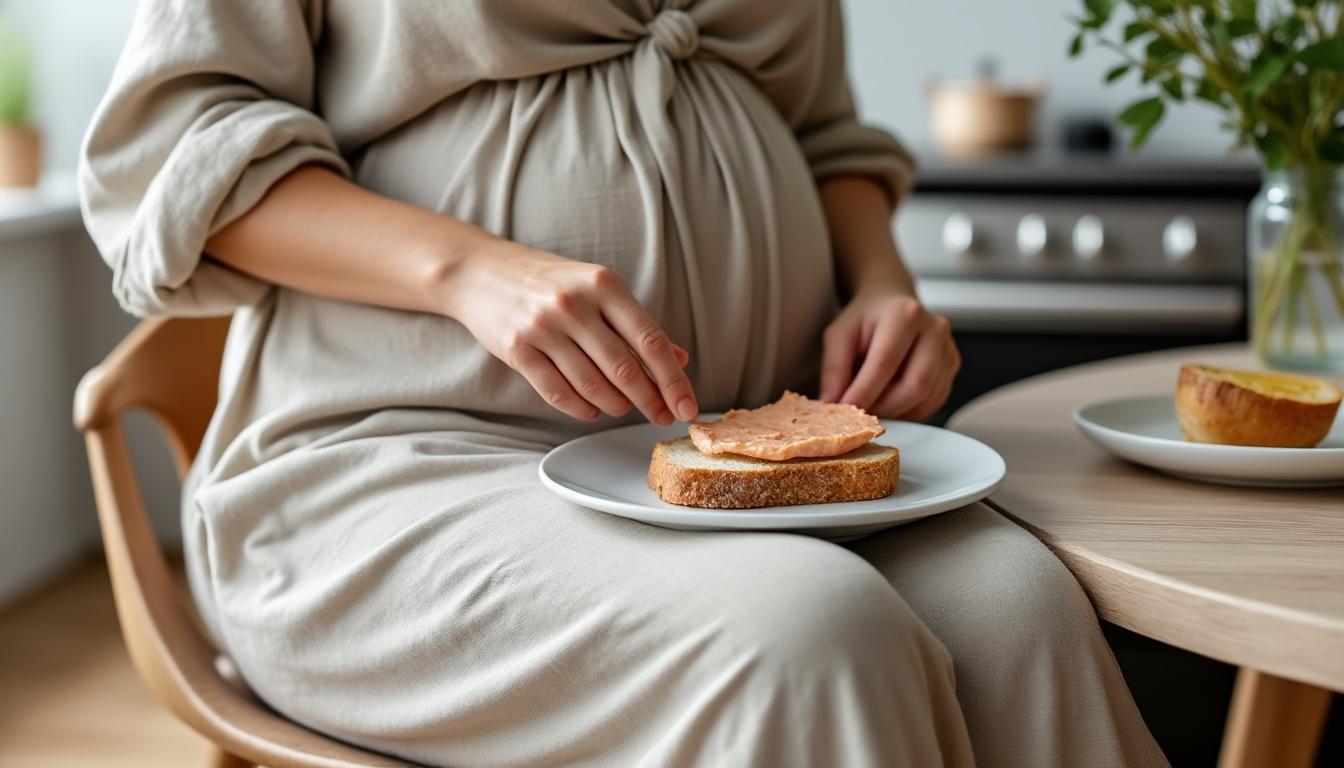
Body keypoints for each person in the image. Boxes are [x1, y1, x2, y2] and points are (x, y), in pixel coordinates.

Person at [80, 1, 1167, 766]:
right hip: (394, 460)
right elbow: (171, 157)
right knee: (805, 634)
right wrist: (470, 272)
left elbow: (823, 132)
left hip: (763, 483)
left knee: (1022, 610)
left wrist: (881, 283)